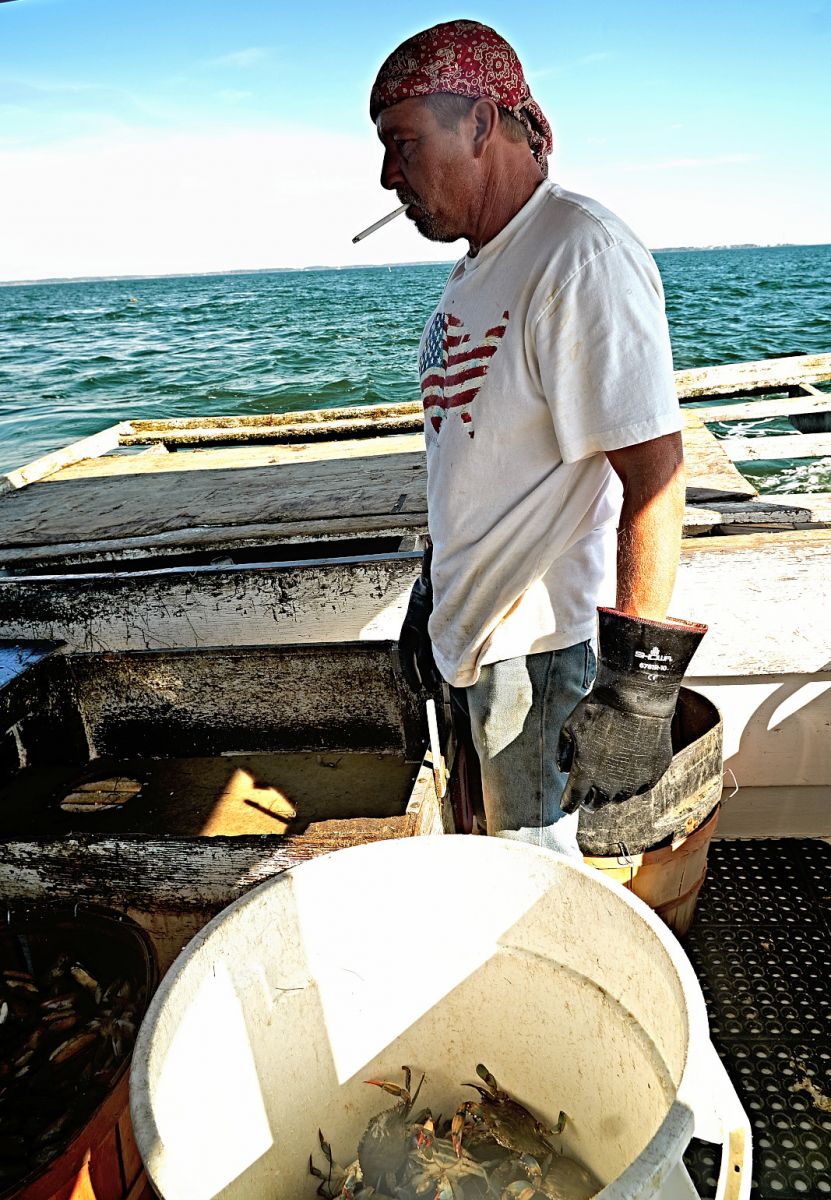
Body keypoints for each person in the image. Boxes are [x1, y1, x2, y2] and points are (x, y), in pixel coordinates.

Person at [370, 20, 706, 856]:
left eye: (402, 144)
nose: (386, 176)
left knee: (541, 888)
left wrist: (637, 692)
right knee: (493, 861)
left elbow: (655, 477)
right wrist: (435, 590)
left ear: (480, 124)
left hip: (540, 657)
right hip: (475, 638)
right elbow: (479, 457)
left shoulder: (578, 254)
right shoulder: (480, 268)